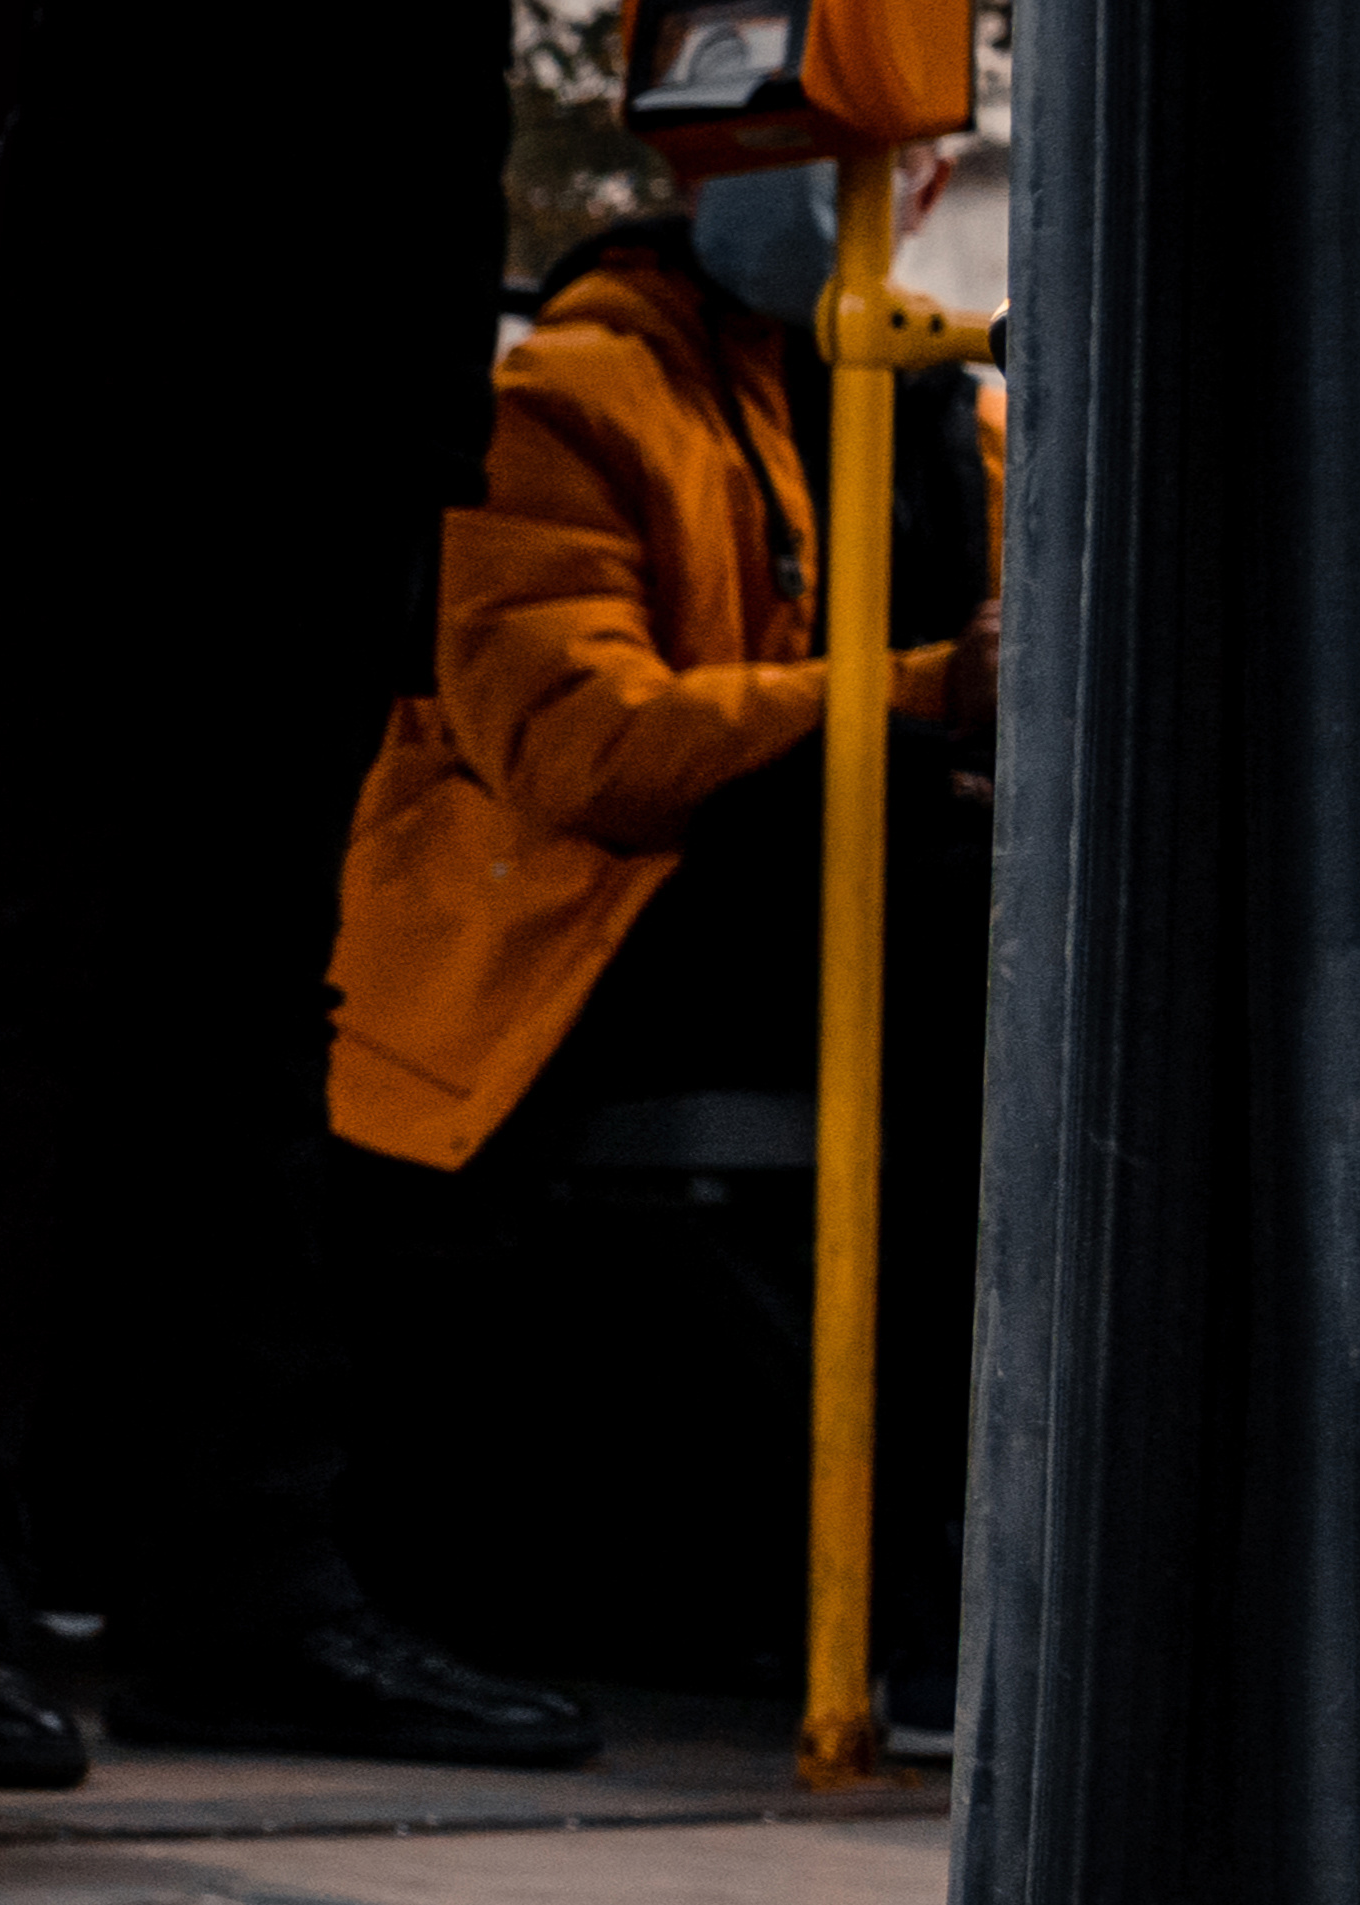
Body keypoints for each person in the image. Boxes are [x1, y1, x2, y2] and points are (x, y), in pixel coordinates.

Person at [218, 153, 1003, 1752]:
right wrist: (923, 693)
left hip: (805, 906)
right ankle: (915, 1591)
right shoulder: (571, 398)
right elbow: (580, 750)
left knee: (984, 928)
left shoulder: (961, 425)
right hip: (572, 930)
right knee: (952, 951)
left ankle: (976, 1557)